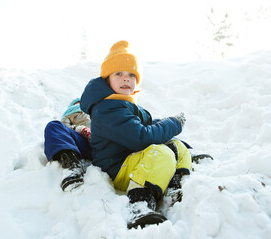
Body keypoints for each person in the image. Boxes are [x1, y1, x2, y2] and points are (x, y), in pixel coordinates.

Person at [80, 40, 193, 229]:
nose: (126, 79)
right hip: (117, 167)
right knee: (161, 153)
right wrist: (173, 123)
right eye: (119, 74)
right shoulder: (107, 109)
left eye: (131, 75)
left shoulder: (123, 104)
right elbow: (142, 138)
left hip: (133, 160)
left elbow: (148, 126)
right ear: (107, 79)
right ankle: (139, 204)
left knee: (176, 146)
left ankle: (174, 185)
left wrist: (171, 134)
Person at [44, 98, 92, 191]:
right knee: (53, 125)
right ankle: (73, 165)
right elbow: (64, 130)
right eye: (77, 103)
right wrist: (79, 129)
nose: (79, 105)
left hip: (101, 140)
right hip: (82, 141)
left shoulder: (96, 111)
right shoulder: (69, 114)